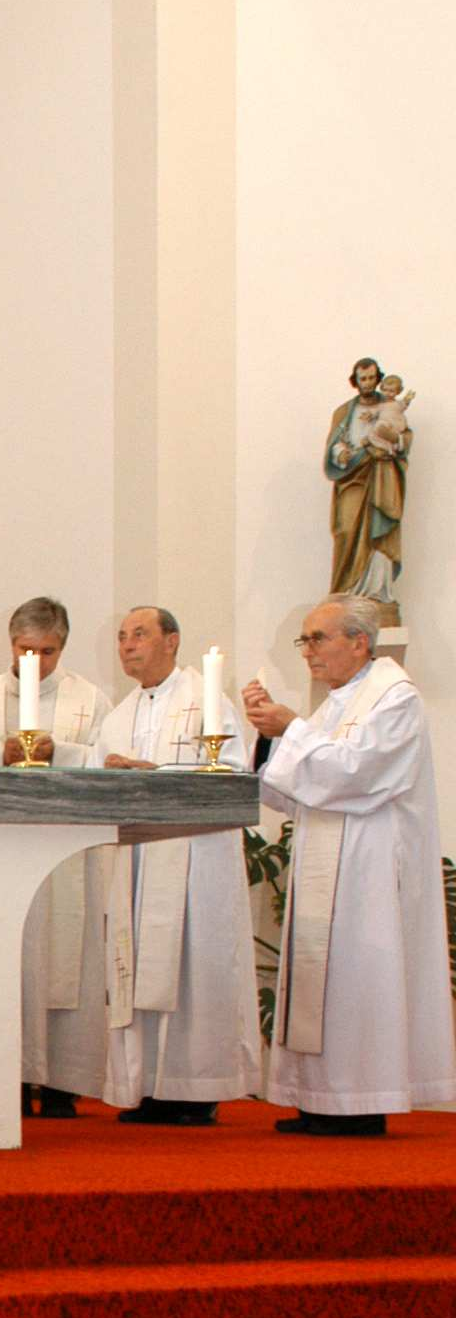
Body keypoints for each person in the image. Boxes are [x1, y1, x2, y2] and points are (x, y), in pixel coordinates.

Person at [244, 593, 456, 1134]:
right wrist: (271, 740)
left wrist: (289, 728)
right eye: (305, 640)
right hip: (327, 854)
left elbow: (355, 774)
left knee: (360, 979)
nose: (308, 652)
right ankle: (321, 1100)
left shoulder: (394, 698)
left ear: (359, 642)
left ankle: (361, 1103)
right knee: (328, 980)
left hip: (370, 868)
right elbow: (298, 789)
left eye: (318, 639)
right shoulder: (338, 702)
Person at [99, 606, 260, 1124]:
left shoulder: (206, 701)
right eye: (122, 637)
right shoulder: (121, 714)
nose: (127, 645)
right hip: (137, 859)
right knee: (138, 960)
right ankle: (145, 1085)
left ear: (172, 640)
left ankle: (195, 1088)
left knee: (193, 966)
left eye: (139, 635)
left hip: (194, 861)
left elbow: (233, 772)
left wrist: (157, 772)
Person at [0, 597, 108, 1117]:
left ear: (62, 647)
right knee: (9, 958)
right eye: (27, 650)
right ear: (11, 644)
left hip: (67, 853)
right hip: (2, 851)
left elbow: (106, 758)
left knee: (67, 960)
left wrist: (62, 754)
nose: (37, 662)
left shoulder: (89, 700)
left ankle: (64, 1081)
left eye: (48, 652)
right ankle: (9, 1076)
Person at [325, 355, 411, 604]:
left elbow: (404, 437)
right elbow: (335, 444)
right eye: (363, 378)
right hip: (353, 476)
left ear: (378, 378)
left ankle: (375, 594)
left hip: (381, 475)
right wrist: (342, 453)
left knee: (379, 534)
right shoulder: (344, 412)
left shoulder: (389, 407)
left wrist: (395, 440)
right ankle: (345, 594)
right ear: (356, 380)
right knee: (346, 528)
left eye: (372, 378)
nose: (368, 383)